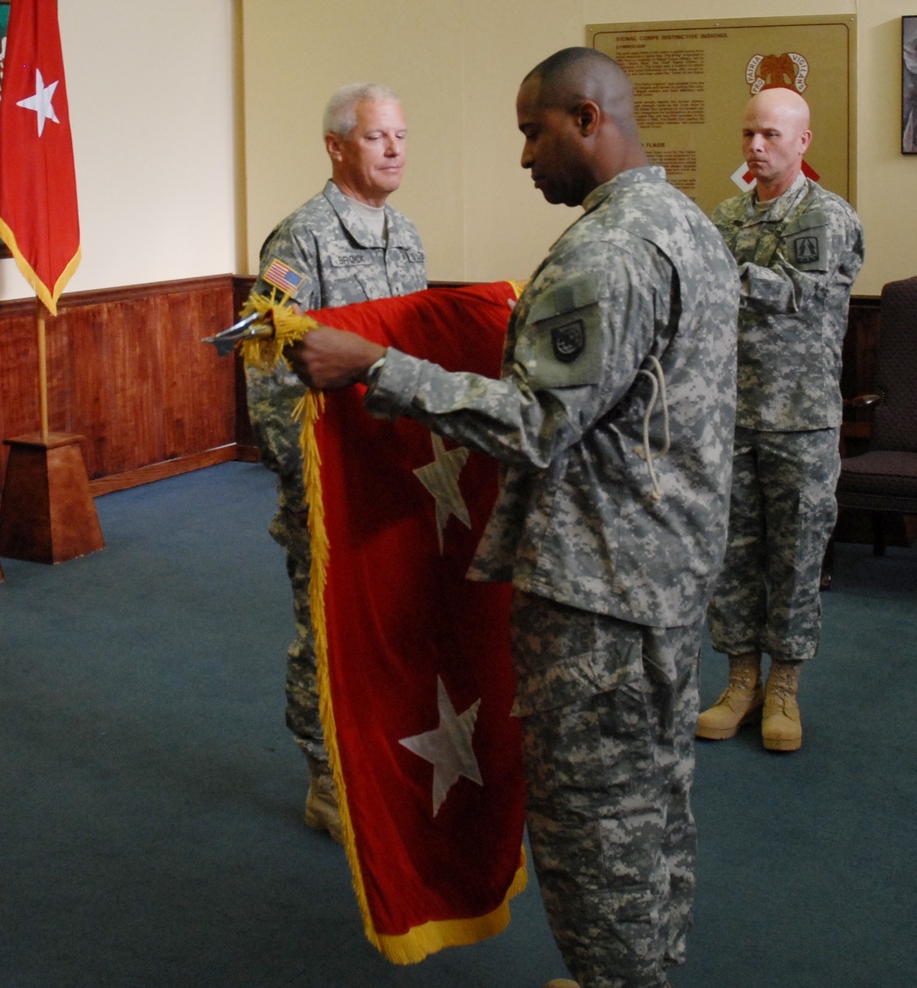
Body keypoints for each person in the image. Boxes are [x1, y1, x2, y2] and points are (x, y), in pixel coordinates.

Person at [289, 47, 739, 988]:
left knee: (594, 823)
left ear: (587, 116)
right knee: (654, 801)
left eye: (534, 132)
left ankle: (617, 974)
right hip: (664, 569)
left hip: (600, 591)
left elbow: (538, 421)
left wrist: (376, 367)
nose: (525, 157)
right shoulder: (685, 223)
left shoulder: (608, 250)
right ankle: (643, 969)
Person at [245, 83, 427, 842]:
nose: (394, 150)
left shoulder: (407, 236)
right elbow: (264, 368)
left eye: (401, 136)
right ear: (336, 146)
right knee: (324, 628)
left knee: (392, 625)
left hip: (396, 476)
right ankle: (324, 774)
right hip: (329, 482)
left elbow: (414, 358)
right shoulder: (300, 240)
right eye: (377, 137)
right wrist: (305, 479)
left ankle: (377, 758)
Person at [697, 87, 865, 753]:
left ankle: (785, 685)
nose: (755, 146)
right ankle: (741, 679)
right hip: (731, 418)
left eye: (770, 134)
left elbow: (800, 294)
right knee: (734, 556)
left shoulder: (827, 217)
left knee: (795, 558)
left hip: (800, 421)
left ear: (803, 141)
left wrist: (718, 271)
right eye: (748, 134)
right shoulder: (727, 215)